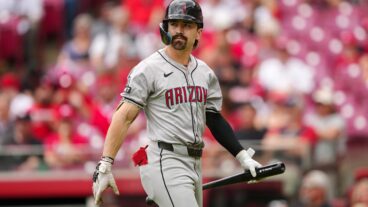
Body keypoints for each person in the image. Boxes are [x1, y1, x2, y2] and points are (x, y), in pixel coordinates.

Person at [92, 1, 262, 207]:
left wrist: (242, 156)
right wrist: (105, 165)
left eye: (187, 25)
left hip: (196, 162)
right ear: (166, 28)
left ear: (198, 32)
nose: (179, 31)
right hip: (164, 159)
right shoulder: (148, 68)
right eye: (174, 24)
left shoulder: (205, 72)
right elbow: (124, 116)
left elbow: (214, 118)